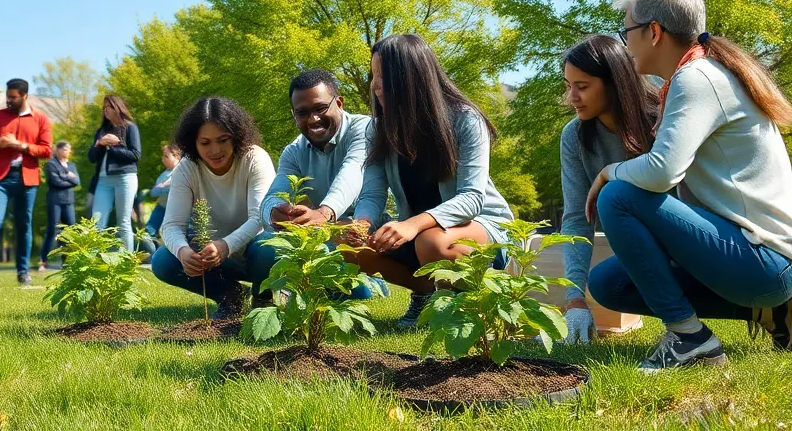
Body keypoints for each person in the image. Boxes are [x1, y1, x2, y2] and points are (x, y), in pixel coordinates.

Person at [585, 0, 792, 373]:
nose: (624, 43)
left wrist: (608, 171)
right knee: (609, 284)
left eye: (627, 32)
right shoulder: (693, 76)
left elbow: (661, 173)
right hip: (753, 259)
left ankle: (690, 338)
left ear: (653, 32)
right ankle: (772, 313)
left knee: (617, 195)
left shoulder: (698, 79)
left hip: (764, 259)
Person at [348, 34, 516, 329]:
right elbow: (372, 194)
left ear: (409, 78)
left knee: (432, 240)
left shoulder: (465, 119)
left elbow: (472, 198)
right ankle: (425, 292)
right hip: (417, 237)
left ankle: (472, 302)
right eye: (372, 75)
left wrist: (412, 224)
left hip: (480, 230)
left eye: (382, 76)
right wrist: (360, 225)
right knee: (346, 242)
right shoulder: (378, 131)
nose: (375, 87)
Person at [249, 69, 383, 303]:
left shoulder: (364, 129)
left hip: (357, 234)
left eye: (321, 108)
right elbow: (272, 195)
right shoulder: (293, 152)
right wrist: (275, 211)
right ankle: (266, 298)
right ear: (294, 116)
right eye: (302, 113)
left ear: (339, 103)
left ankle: (372, 281)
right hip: (317, 237)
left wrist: (325, 213)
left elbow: (353, 170)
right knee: (260, 248)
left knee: (355, 292)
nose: (313, 119)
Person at [557, 34, 659, 344]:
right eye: (568, 85)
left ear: (615, 82)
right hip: (633, 249)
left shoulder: (661, 120)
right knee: (604, 285)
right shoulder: (573, 136)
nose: (571, 97)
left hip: (680, 240)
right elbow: (577, 217)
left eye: (582, 86)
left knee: (614, 193)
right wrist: (574, 297)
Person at [151, 97, 275, 320]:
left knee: (268, 245)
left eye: (223, 140)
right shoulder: (186, 169)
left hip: (256, 253)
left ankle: (264, 297)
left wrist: (226, 245)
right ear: (193, 143)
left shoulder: (255, 159)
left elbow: (261, 218)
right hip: (212, 257)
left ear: (236, 137)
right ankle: (231, 297)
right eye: (205, 143)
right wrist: (183, 252)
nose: (215, 150)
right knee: (163, 261)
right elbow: (171, 226)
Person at [0, 79, 53, 286]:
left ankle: (23, 271)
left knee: (24, 224)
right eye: (8, 96)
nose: (9, 100)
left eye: (13, 97)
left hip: (27, 177)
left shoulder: (40, 119)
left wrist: (21, 146)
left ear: (25, 96)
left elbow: (46, 150)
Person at [87, 95, 142, 251]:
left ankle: (127, 263)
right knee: (96, 223)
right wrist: (100, 144)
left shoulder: (130, 127)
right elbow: (91, 158)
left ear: (117, 108)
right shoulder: (101, 131)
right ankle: (93, 263)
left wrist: (114, 145)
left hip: (125, 179)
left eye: (108, 106)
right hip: (103, 182)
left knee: (123, 222)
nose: (105, 110)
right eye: (103, 107)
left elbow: (135, 155)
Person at [39, 141, 81, 272]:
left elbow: (77, 181)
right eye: (65, 149)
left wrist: (66, 178)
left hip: (68, 201)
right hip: (55, 201)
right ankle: (43, 261)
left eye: (69, 149)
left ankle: (67, 261)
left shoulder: (72, 165)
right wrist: (69, 178)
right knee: (52, 230)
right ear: (58, 150)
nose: (68, 151)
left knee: (70, 231)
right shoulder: (51, 164)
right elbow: (55, 182)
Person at [144, 145, 181, 238]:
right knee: (149, 230)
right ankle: (150, 245)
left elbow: (177, 185)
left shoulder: (183, 169)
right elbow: (154, 192)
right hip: (162, 207)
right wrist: (165, 185)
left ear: (176, 156)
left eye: (166, 156)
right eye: (163, 156)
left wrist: (164, 186)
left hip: (179, 210)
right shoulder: (164, 175)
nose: (163, 159)